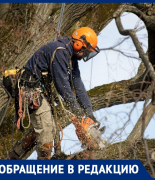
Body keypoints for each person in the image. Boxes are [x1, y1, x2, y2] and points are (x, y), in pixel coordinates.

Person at [9, 27, 101, 160]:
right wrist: (77, 112)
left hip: (39, 91)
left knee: (49, 127)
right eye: (85, 52)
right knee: (46, 130)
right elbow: (62, 86)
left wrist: (89, 112)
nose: (85, 55)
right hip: (30, 89)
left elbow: (77, 84)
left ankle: (14, 155)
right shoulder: (60, 51)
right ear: (79, 44)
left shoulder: (71, 57)